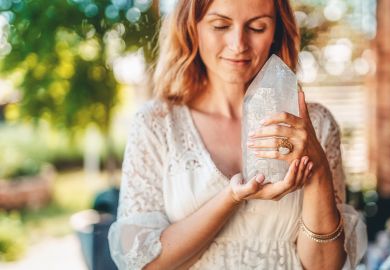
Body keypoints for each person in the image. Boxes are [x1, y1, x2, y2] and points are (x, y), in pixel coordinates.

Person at [108, 0, 367, 269]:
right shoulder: (157, 125)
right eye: (220, 25)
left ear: (277, 31)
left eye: (257, 27)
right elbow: (145, 264)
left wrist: (319, 170)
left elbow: (325, 267)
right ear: (191, 27)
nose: (238, 44)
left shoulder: (316, 125)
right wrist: (231, 197)